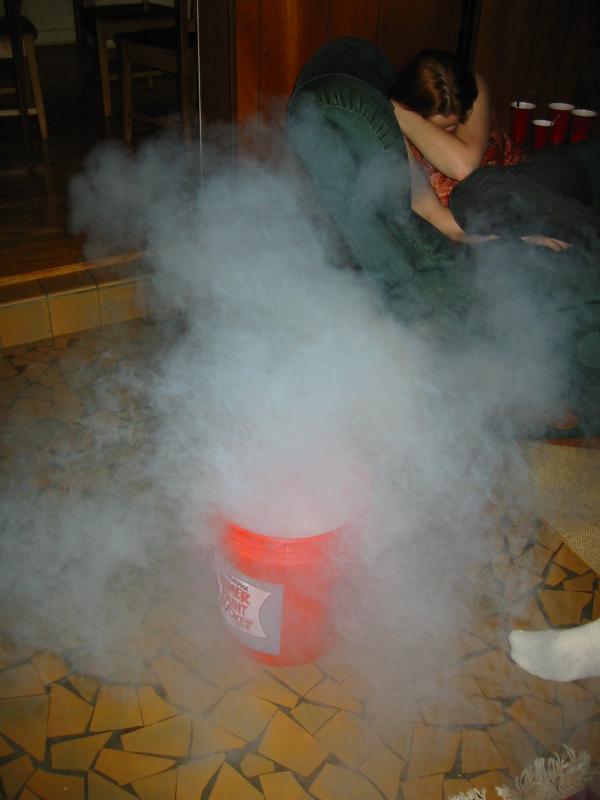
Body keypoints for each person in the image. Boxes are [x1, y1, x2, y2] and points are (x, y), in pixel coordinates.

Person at [388, 50, 599, 251]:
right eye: (441, 129)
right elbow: (439, 220)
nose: (451, 130)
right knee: (472, 200)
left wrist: (399, 113)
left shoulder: (471, 87)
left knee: (471, 192)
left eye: (458, 122)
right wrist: (520, 237)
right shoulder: (398, 141)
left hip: (548, 179)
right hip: (524, 217)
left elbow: (463, 167)